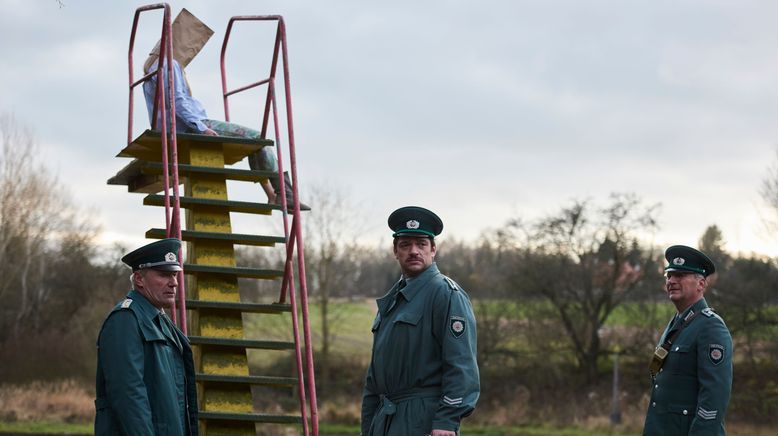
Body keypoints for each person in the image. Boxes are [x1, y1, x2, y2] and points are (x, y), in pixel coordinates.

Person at [142, 8, 308, 210]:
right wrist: (201, 128)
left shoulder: (152, 69)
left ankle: (276, 194)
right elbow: (176, 101)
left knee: (252, 143)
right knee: (257, 137)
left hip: (175, 127)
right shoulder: (169, 64)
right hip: (189, 126)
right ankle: (284, 193)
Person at [361, 206, 480, 436]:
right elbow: (373, 380)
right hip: (385, 421)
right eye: (405, 245)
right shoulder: (392, 302)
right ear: (395, 250)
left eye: (421, 244)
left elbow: (461, 365)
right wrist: (367, 428)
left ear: (433, 249)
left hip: (423, 421)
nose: (414, 251)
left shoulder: (445, 294)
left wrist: (446, 421)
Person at [94, 238, 198, 435]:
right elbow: (128, 397)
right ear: (139, 279)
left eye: (175, 275)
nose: (174, 283)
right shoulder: (125, 320)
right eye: (164, 275)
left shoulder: (160, 320)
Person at [643, 245, 733, 436]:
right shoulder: (677, 322)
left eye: (681, 275)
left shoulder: (711, 327)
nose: (672, 281)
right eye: (669, 275)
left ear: (701, 284)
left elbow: (714, 397)